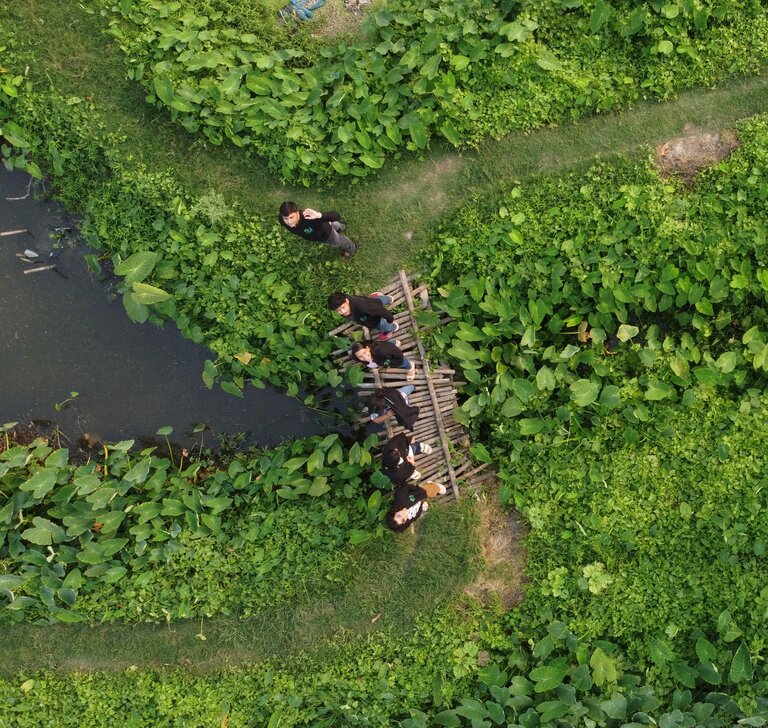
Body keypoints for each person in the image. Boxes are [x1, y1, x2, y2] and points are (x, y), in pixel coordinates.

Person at [278, 201, 357, 258]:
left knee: (338, 241)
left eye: (291, 217)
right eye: (286, 218)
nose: (289, 222)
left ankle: (351, 247)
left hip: (326, 234)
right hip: (323, 226)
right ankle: (341, 227)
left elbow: (336, 215)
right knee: (335, 224)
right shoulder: (282, 219)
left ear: (297, 213)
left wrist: (319, 215)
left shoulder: (309, 217)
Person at [327, 291, 399, 340]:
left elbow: (382, 311)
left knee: (383, 325)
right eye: (338, 310)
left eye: (343, 307)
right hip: (368, 303)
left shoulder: (364, 308)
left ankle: (393, 327)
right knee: (377, 300)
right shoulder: (344, 298)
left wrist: (390, 320)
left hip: (375, 320)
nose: (343, 312)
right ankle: (388, 299)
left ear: (347, 301)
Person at [350, 340, 415, 382]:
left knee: (401, 363)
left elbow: (399, 355)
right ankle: (394, 343)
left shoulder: (382, 352)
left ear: (367, 348)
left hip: (391, 356)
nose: (364, 357)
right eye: (360, 356)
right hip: (383, 352)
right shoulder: (359, 357)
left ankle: (410, 368)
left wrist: (395, 362)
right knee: (387, 346)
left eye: (364, 352)